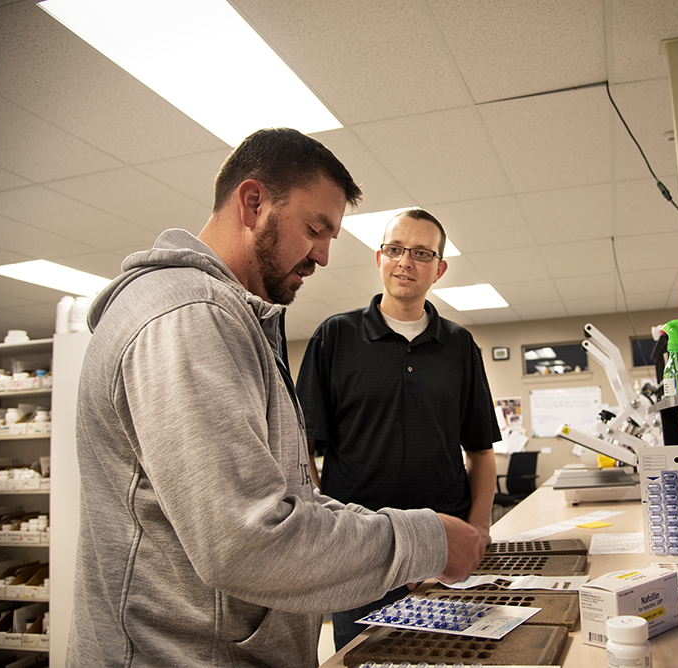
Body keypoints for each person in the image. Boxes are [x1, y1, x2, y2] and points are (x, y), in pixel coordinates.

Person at [66, 129, 486, 668]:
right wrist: (425, 539)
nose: (325, 256)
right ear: (253, 202)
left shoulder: (232, 319)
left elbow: (287, 496)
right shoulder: (188, 316)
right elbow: (246, 539)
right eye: (316, 229)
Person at [297, 208, 499, 650]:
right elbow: (301, 451)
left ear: (439, 269)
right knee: (365, 659)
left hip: (445, 549)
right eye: (396, 249)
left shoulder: (459, 345)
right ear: (379, 258)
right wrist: (328, 528)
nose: (406, 261)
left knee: (456, 657)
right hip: (360, 555)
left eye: (422, 253)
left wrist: (479, 528)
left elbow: (481, 451)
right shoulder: (335, 337)